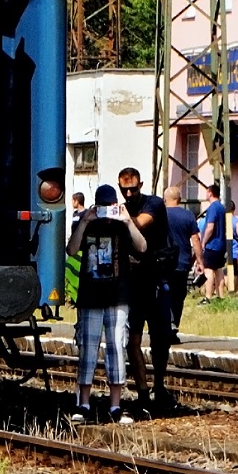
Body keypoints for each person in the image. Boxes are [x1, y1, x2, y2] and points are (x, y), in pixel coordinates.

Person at [67, 183, 147, 424]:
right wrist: (84, 221)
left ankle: (115, 406)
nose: (106, 212)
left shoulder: (123, 226)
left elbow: (142, 247)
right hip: (90, 296)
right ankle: (83, 404)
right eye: (102, 207)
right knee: (88, 350)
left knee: (116, 349)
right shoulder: (84, 222)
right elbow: (71, 250)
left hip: (118, 296)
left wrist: (128, 221)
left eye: (109, 207)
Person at [117, 168, 175, 413]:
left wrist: (120, 215)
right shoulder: (121, 209)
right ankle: (143, 391)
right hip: (133, 281)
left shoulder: (154, 203)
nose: (129, 194)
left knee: (161, 337)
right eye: (124, 190)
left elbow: (141, 223)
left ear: (141, 185)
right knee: (133, 339)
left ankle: (159, 386)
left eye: (133, 189)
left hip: (157, 276)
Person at [164, 186, 204, 331]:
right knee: (179, 294)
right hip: (183, 262)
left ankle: (167, 322)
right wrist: (200, 261)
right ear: (179, 200)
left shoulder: (159, 215)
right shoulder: (188, 216)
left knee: (164, 292)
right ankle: (174, 323)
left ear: (165, 199)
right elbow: (195, 240)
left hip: (163, 262)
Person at [198, 184, 227, 301]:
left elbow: (210, 226)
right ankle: (221, 296)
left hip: (212, 244)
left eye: (206, 192)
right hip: (221, 244)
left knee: (208, 270)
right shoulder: (221, 207)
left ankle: (208, 297)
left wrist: (203, 241)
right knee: (219, 269)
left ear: (210, 193)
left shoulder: (212, 208)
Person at [224, 200, 238, 294]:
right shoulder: (237, 222)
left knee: (225, 272)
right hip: (235, 250)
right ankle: (233, 291)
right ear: (234, 209)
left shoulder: (222, 221)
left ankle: (227, 288)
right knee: (235, 273)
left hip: (224, 250)